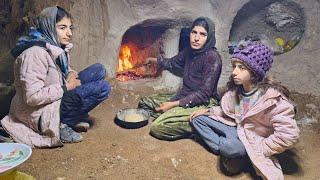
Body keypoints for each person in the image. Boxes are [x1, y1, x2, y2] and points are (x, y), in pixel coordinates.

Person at [1, 6, 111, 147]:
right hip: (40, 112)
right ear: (49, 27)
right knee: (103, 88)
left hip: (56, 97)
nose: (69, 33)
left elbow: (58, 71)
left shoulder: (54, 46)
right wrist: (66, 87)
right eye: (62, 27)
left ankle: (70, 116)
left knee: (99, 70)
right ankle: (61, 124)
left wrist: (70, 73)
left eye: (70, 28)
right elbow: (32, 97)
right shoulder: (34, 54)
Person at [190, 41, 300, 179]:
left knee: (230, 150)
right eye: (234, 66)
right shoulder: (237, 91)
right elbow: (231, 113)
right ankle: (233, 151)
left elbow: (289, 134)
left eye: (241, 68)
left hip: (253, 138)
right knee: (197, 119)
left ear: (255, 71)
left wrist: (262, 148)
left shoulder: (272, 100)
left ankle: (236, 152)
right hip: (236, 128)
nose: (234, 72)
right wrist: (209, 111)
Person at [138, 17, 222, 141]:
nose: (196, 38)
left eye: (202, 34)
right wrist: (154, 60)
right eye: (194, 32)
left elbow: (204, 94)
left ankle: (199, 126)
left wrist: (172, 104)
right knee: (145, 102)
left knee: (157, 127)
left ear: (209, 37)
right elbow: (173, 62)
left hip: (203, 102)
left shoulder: (213, 58)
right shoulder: (189, 50)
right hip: (184, 95)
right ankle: (172, 116)